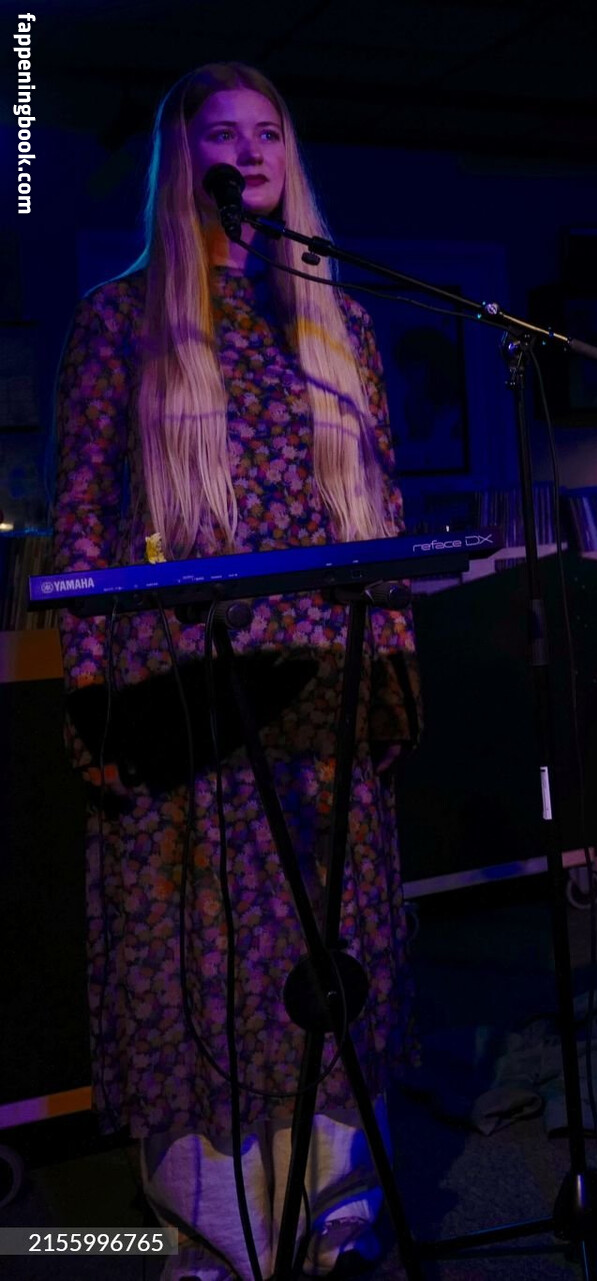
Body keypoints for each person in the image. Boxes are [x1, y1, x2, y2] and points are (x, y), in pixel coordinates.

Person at [49, 63, 418, 1278]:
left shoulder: (337, 324)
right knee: (201, 968)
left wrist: (393, 672)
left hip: (321, 696)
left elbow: (380, 513)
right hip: (186, 706)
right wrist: (97, 703)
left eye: (270, 133)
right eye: (224, 134)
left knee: (328, 954)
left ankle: (336, 1220)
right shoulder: (122, 322)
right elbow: (82, 524)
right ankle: (218, 1241)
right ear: (184, 159)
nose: (251, 152)